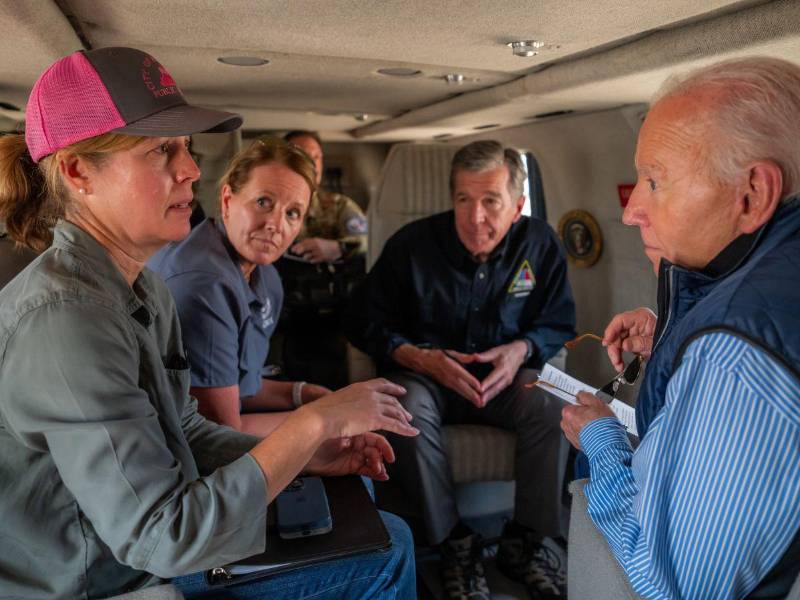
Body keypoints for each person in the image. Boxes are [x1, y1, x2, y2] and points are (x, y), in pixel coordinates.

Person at [0, 46, 419, 600]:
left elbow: (185, 429)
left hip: (133, 554)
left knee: (355, 506)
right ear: (80, 172)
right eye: (162, 150)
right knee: (388, 549)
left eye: (188, 149)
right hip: (104, 581)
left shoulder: (142, 287)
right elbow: (164, 535)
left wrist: (308, 454)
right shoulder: (65, 321)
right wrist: (311, 424)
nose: (191, 169)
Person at [560, 56, 800, 599]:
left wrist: (599, 438)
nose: (631, 211)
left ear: (753, 194)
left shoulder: (736, 358)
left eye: (653, 180)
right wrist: (674, 335)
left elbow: (670, 581)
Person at [346, 140, 577, 600]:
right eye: (463, 200)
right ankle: (454, 542)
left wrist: (521, 350)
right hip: (425, 381)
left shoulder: (540, 243)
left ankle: (527, 542)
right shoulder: (412, 245)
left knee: (551, 399)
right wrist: (416, 355)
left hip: (505, 381)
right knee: (406, 401)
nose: (475, 218)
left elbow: (559, 321)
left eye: (491, 201)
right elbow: (360, 320)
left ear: (517, 205)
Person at [149, 138, 332, 437]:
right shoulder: (203, 285)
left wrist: (304, 394)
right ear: (227, 201)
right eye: (263, 202)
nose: (276, 224)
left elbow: (237, 386)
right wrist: (328, 422)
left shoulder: (265, 276)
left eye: (292, 213)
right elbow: (222, 432)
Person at [283, 129, 367, 263]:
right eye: (302, 156)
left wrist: (339, 248)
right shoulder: (268, 206)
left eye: (316, 156)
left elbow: (368, 240)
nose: (312, 163)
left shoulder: (340, 205)